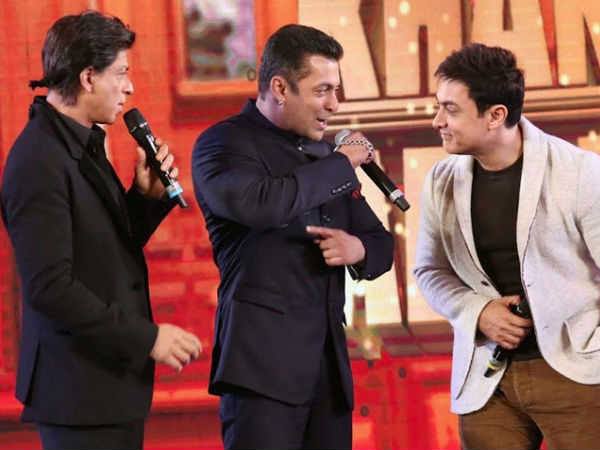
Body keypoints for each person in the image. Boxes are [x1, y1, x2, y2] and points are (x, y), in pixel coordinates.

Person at [0, 11, 201, 450]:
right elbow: (51, 287)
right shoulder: (39, 160)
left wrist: (145, 198)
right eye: (121, 73)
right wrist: (148, 338)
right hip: (77, 394)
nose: (130, 87)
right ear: (89, 77)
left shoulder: (80, 141)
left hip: (105, 388)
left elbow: (103, 251)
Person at [192, 24, 394, 449]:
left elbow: (380, 244)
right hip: (261, 371)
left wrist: (356, 248)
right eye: (322, 91)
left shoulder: (324, 156)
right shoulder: (222, 143)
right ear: (280, 88)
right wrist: (341, 164)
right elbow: (262, 204)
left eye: (336, 90)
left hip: (327, 372)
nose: (334, 105)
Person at [414, 42, 600, 450]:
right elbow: (429, 270)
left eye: (450, 109)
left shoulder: (581, 172)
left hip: (579, 374)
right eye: (438, 107)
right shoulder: (441, 180)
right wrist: (477, 311)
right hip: (487, 383)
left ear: (496, 115)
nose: (437, 121)